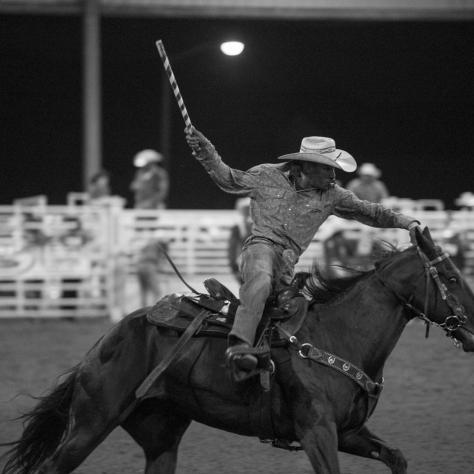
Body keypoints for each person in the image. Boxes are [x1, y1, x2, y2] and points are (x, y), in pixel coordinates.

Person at [185, 127, 422, 375]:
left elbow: (371, 212)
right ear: (307, 166)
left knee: (296, 311)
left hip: (287, 264)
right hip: (260, 248)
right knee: (261, 281)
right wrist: (206, 150)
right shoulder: (265, 175)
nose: (333, 174)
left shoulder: (333, 195)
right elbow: (229, 179)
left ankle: (273, 365)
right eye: (327, 168)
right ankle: (240, 345)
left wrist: (408, 222)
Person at [228, 197, 252, 283]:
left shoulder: (259, 226)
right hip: (244, 264)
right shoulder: (238, 227)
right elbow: (232, 248)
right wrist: (233, 267)